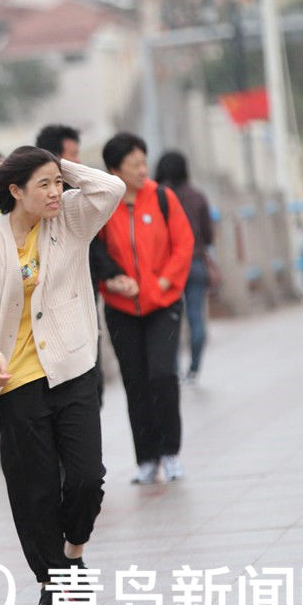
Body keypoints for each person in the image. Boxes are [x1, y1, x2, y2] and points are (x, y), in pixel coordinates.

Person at [0, 146, 124, 605]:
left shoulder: (70, 217)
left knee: (87, 478)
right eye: (43, 185)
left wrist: (56, 165)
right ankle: (53, 581)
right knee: (35, 490)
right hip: (18, 380)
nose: (55, 192)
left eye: (57, 183)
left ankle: (72, 553)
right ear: (15, 191)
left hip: (72, 367)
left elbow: (111, 188)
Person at [97, 133, 195, 484]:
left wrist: (165, 283)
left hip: (163, 304)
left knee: (163, 375)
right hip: (121, 308)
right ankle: (147, 459)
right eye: (133, 164)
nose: (142, 170)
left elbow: (184, 244)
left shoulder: (163, 198)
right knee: (135, 382)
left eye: (144, 162)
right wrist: (111, 281)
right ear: (113, 170)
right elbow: (96, 252)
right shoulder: (104, 205)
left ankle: (171, 452)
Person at [36, 123, 121, 407]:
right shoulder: (37, 206)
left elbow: (110, 188)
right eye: (72, 155)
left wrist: (59, 167)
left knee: (89, 381)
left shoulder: (76, 198)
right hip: (45, 311)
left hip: (82, 299)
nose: (78, 161)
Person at [154, 150, 215, 383]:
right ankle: (194, 369)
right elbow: (209, 235)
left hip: (166, 268)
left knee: (169, 319)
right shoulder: (198, 196)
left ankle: (173, 368)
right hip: (196, 262)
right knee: (196, 317)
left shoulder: (158, 197)